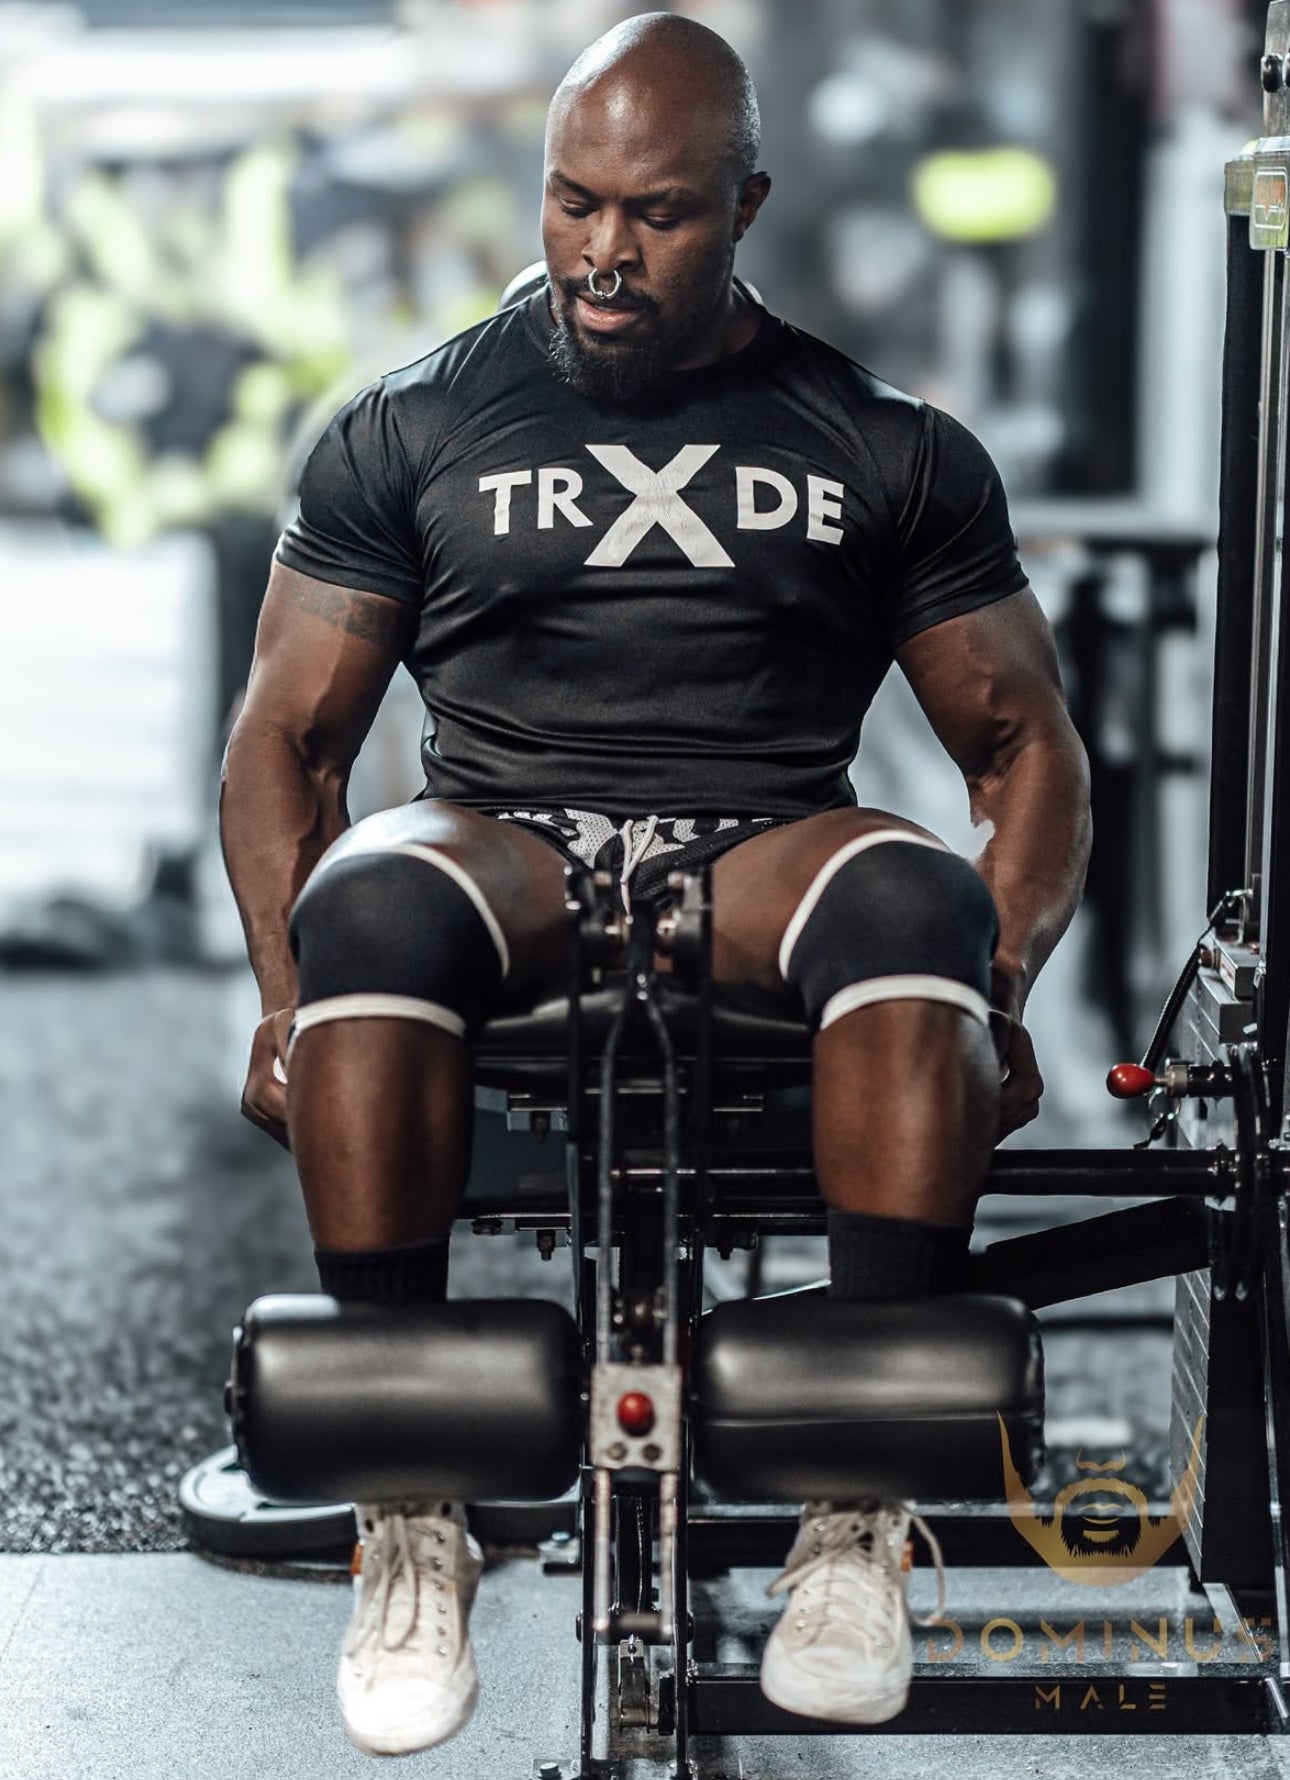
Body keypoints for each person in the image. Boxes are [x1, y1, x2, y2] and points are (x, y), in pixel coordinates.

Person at [220, 10, 1091, 1758]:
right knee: (369, 910)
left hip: (766, 833)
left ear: (745, 203)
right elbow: (287, 742)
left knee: (912, 904)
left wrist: (994, 992)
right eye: (573, 204)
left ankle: (855, 1525)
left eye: (659, 214)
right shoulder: (412, 423)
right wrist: (280, 1003)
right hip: (503, 835)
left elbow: (1024, 750)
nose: (605, 252)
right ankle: (414, 1520)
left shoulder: (879, 439)